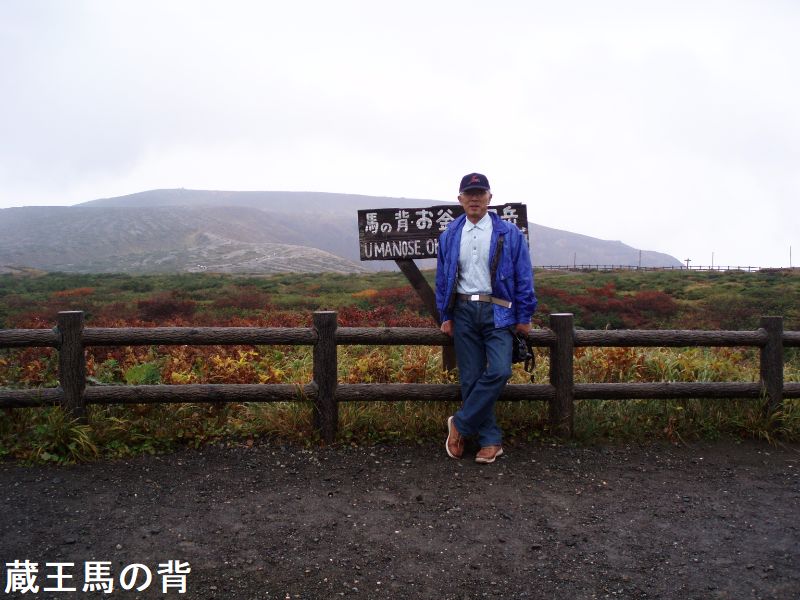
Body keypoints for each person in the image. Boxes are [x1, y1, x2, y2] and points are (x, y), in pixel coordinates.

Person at [435, 173, 537, 464]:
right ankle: (490, 441)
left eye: (480, 193)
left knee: (501, 371)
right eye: (469, 194)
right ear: (460, 199)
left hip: (499, 310)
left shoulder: (509, 233)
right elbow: (442, 278)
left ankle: (460, 424)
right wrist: (446, 314)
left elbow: (523, 276)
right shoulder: (450, 234)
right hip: (463, 311)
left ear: (490, 197)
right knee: (470, 377)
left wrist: (524, 314)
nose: (475, 198)